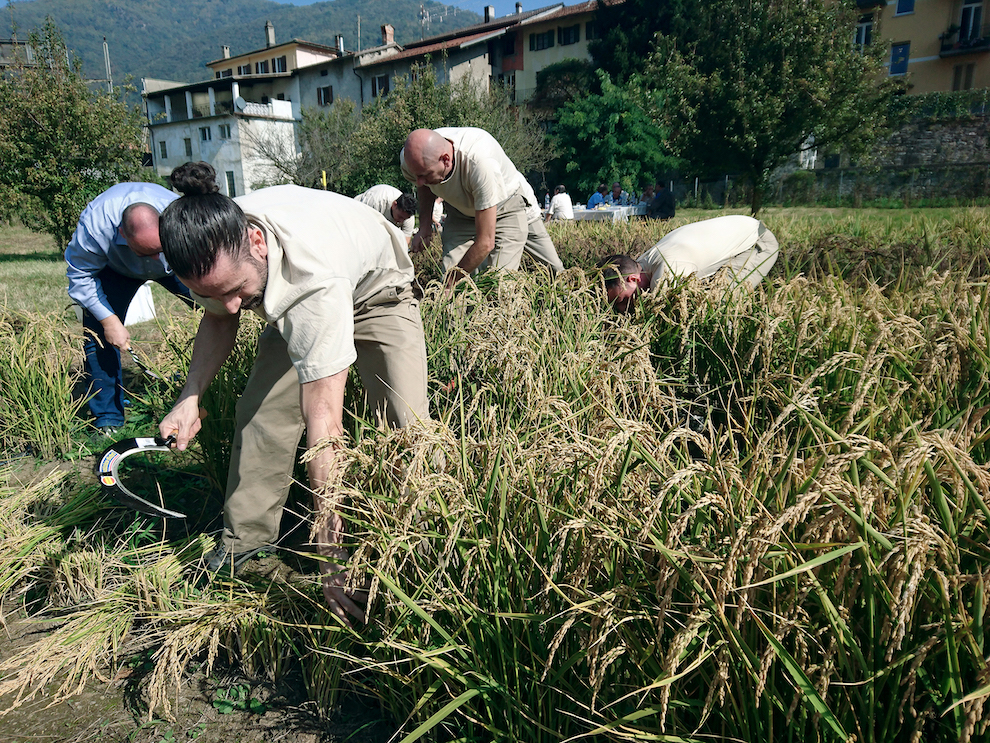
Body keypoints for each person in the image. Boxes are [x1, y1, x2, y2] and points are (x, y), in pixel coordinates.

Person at [157, 162, 430, 625]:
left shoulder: (311, 278)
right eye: (210, 293)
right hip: (290, 289)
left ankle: (417, 551)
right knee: (262, 414)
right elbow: (220, 317)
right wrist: (189, 395)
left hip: (377, 292)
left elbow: (324, 424)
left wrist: (331, 558)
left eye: (235, 290)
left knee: (406, 425)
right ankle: (244, 545)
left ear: (257, 244)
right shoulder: (210, 242)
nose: (228, 305)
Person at [65, 182, 194, 433]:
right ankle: (108, 419)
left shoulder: (180, 213)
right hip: (116, 268)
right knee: (98, 336)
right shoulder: (96, 224)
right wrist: (109, 321)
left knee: (217, 311)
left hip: (177, 264)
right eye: (146, 252)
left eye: (157, 250)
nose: (154, 259)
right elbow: (80, 274)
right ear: (122, 233)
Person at [400, 127, 562, 279]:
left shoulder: (481, 162)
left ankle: (569, 295)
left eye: (426, 175)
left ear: (446, 159)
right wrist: (425, 226)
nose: (419, 182)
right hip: (461, 213)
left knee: (503, 280)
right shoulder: (412, 157)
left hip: (506, 207)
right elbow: (424, 186)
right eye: (417, 176)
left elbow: (486, 242)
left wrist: (453, 280)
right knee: (451, 274)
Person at [599, 215, 779, 313]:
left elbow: (666, 315)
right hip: (738, 232)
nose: (622, 310)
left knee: (721, 304)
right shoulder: (641, 263)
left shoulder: (668, 271)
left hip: (756, 242)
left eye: (621, 301)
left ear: (632, 279)